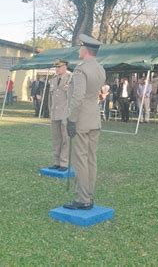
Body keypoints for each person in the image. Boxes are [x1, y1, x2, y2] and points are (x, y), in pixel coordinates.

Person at [65, 34, 106, 210]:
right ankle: (89, 195)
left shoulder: (81, 70)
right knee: (91, 159)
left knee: (80, 160)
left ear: (85, 50)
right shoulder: (100, 69)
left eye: (81, 47)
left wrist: (71, 120)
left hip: (81, 119)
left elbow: (77, 97)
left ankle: (82, 199)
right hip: (94, 118)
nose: (79, 50)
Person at [47, 59, 71, 171]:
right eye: (56, 67)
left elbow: (74, 98)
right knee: (56, 138)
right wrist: (50, 111)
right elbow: (49, 98)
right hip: (55, 113)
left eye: (59, 67)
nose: (57, 69)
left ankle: (64, 163)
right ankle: (56, 162)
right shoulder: (53, 80)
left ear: (65, 67)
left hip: (66, 113)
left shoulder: (71, 79)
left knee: (65, 139)